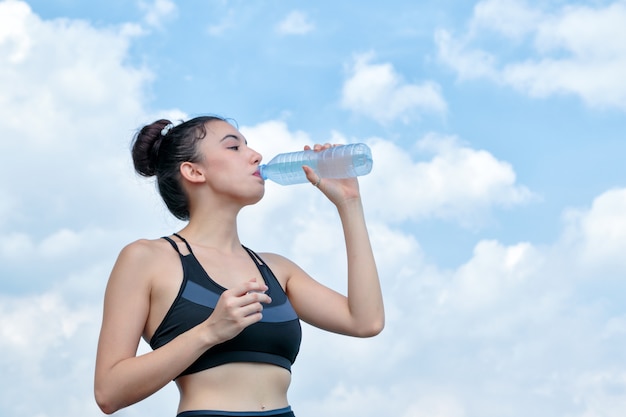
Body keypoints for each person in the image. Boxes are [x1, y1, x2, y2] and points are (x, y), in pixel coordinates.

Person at [94, 115, 384, 417]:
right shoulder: (146, 259)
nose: (255, 155)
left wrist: (349, 203)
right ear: (193, 171)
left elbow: (365, 321)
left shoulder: (276, 269)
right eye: (233, 147)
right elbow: (109, 392)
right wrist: (209, 331)